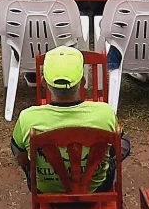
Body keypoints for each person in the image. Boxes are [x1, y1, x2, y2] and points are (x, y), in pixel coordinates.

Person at [11, 46, 120, 193]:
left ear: (43, 82)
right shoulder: (105, 113)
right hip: (96, 190)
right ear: (83, 81)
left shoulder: (27, 118)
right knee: (119, 148)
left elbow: (21, 157)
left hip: (46, 193)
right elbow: (116, 150)